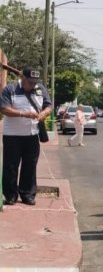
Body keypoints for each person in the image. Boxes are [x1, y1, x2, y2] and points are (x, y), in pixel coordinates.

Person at [1, 67, 52, 206]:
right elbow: (4, 108)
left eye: (34, 82)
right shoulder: (10, 89)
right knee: (11, 166)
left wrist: (44, 113)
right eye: (29, 82)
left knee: (30, 166)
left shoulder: (40, 89)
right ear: (22, 78)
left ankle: (27, 194)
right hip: (12, 135)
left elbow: (49, 105)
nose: (32, 85)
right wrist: (23, 114)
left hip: (32, 134)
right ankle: (10, 195)